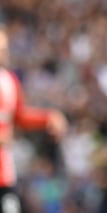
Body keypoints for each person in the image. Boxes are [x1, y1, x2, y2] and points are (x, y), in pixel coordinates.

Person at [0, 25, 68, 213]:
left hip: (4, 175)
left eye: (5, 48)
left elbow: (18, 116)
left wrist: (48, 118)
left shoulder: (8, 80)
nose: (4, 53)